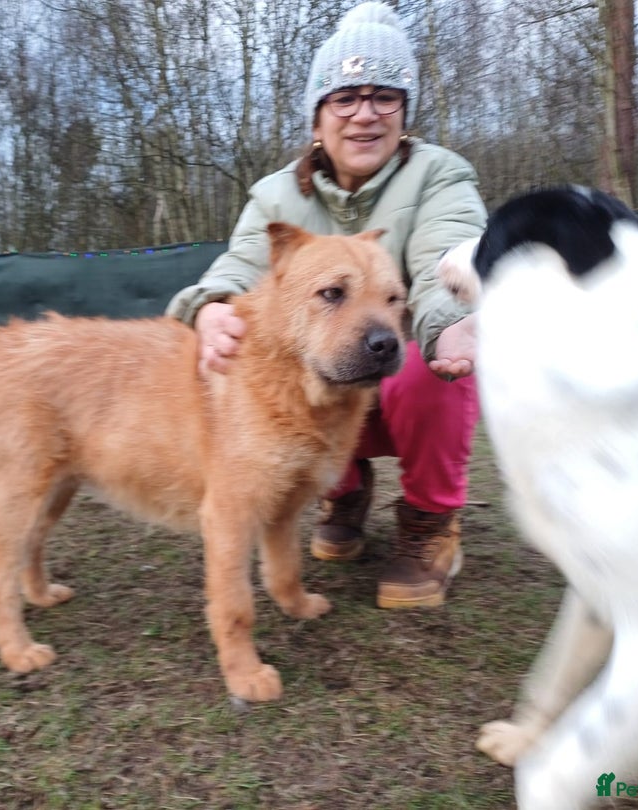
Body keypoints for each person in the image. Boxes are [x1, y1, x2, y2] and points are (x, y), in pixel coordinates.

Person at [166, 1, 485, 609]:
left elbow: (445, 260)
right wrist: (211, 305)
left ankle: (428, 522)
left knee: (421, 363)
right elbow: (237, 268)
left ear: (404, 113)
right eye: (345, 97)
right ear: (318, 116)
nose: (365, 114)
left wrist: (447, 328)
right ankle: (342, 488)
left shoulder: (439, 177)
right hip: (325, 393)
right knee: (275, 370)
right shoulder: (275, 196)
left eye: (385, 96)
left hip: (402, 389)